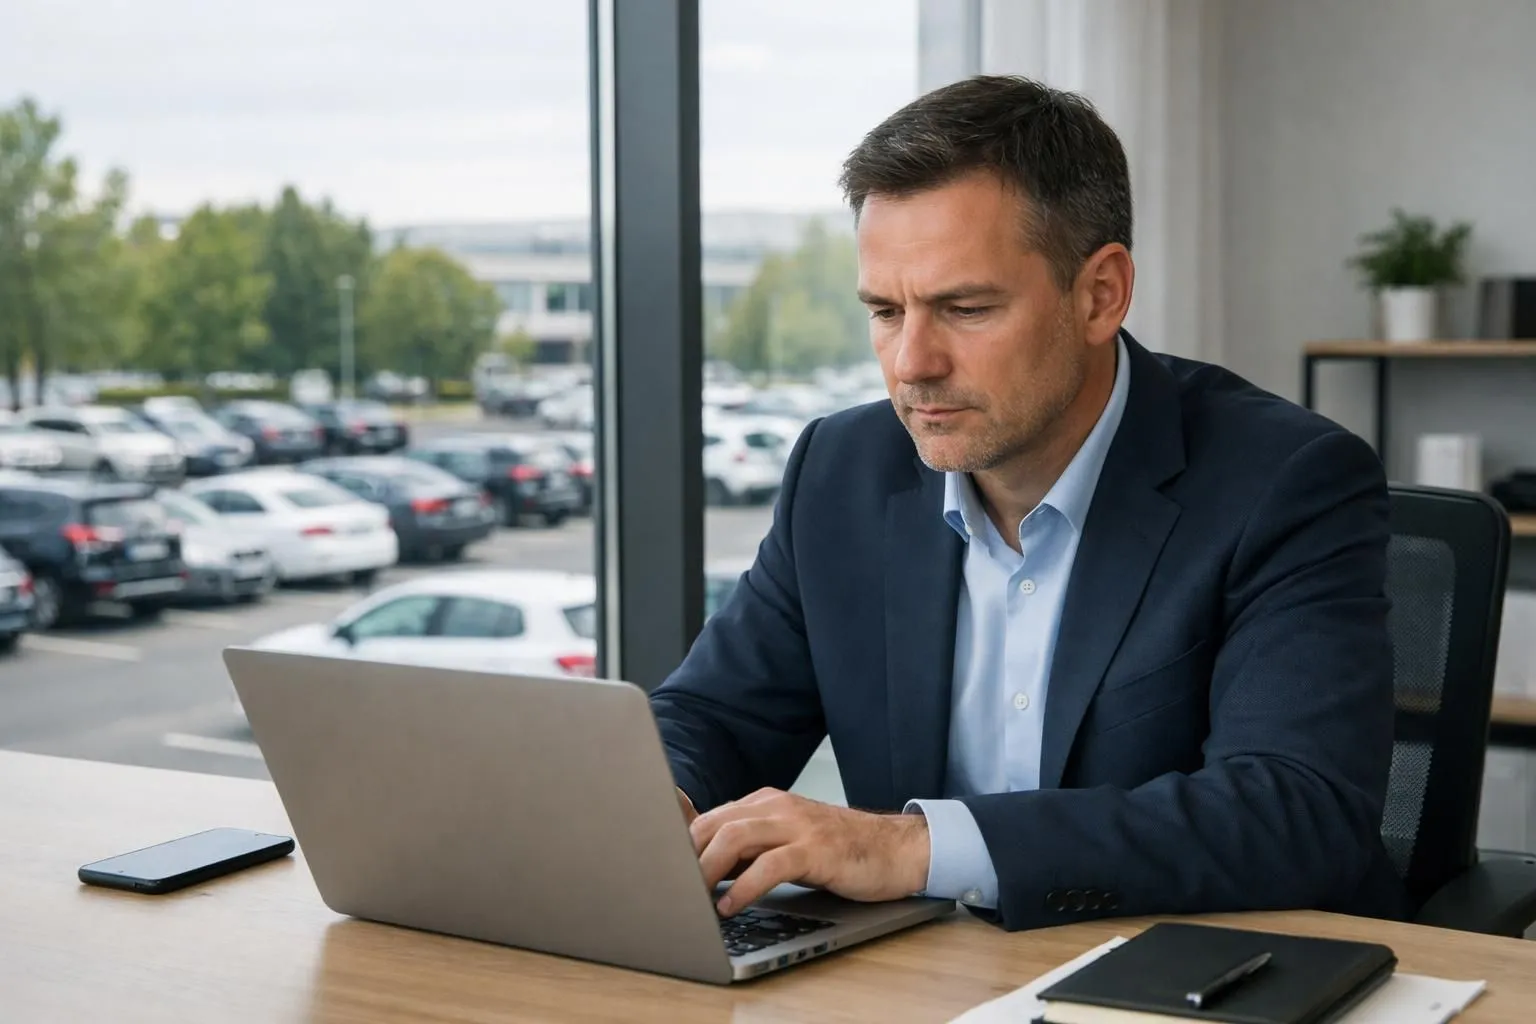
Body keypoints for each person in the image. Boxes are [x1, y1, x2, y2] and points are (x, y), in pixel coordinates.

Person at [650, 75, 1404, 931]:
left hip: (1197, 974)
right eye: (885, 311)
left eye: (964, 308)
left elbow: (1296, 811)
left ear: (1100, 295)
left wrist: (912, 848)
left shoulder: (1288, 479)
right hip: (923, 978)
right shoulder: (841, 471)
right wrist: (659, 808)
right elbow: (713, 713)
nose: (911, 363)